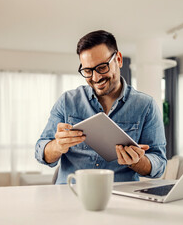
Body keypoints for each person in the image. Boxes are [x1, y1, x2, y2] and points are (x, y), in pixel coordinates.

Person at [35, 30, 166, 184]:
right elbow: (40, 152)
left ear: (118, 59)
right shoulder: (67, 101)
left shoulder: (146, 106)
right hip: (69, 195)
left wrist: (138, 161)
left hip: (121, 197)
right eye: (88, 71)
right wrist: (57, 146)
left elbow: (159, 164)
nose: (96, 78)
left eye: (102, 67)